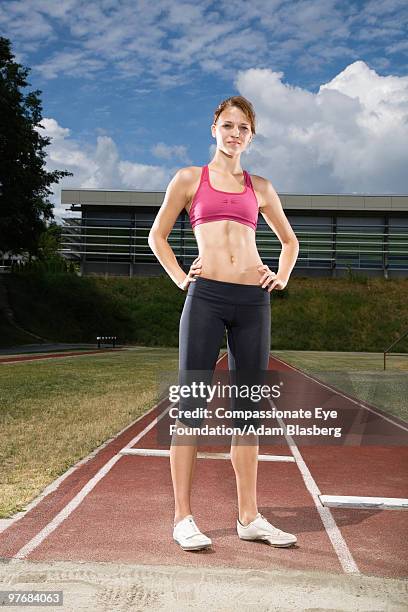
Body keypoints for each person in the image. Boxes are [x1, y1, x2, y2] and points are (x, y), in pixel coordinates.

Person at [148, 96, 299, 552]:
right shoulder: (189, 179)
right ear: (214, 127)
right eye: (228, 125)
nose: (235, 134)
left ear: (251, 136)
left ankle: (249, 517)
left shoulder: (262, 188)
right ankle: (183, 518)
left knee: (248, 412)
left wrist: (281, 275)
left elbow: (289, 242)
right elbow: (158, 236)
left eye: (244, 129)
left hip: (253, 302)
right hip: (206, 296)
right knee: (191, 408)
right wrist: (180, 278)